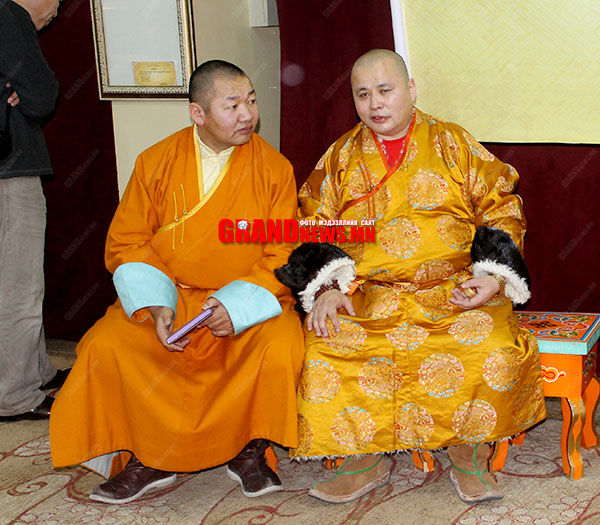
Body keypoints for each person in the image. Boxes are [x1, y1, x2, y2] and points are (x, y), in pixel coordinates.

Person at [287, 49, 545, 504]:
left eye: (385, 90)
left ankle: (469, 452)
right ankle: (362, 457)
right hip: (369, 293)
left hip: (453, 290)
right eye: (362, 94)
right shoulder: (341, 157)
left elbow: (501, 206)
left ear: (411, 90)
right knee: (327, 342)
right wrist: (325, 288)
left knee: (490, 343)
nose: (374, 103)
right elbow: (314, 223)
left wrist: (491, 276)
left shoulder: (453, 143)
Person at [49, 60, 305, 504]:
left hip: (242, 299)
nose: (247, 114)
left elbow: (283, 250)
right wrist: (156, 302)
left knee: (280, 343)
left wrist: (237, 307)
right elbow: (127, 241)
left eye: (251, 101)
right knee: (107, 345)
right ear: (197, 113)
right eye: (232, 105)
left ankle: (248, 448)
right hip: (171, 297)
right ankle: (149, 455)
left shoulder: (274, 168)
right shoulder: (156, 162)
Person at [0, 0, 70, 423]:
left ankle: (36, 370)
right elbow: (42, 95)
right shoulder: (10, 15)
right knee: (18, 287)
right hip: (9, 171)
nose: (55, 14)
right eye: (56, 4)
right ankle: (14, 394)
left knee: (13, 283)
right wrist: (22, 90)